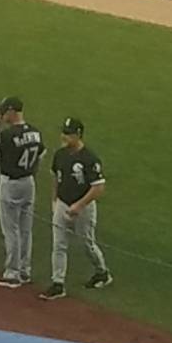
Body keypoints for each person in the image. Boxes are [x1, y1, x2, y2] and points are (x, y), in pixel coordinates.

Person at [42, 118, 112, 299]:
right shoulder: (60, 155)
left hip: (84, 207)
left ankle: (102, 272)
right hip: (63, 204)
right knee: (58, 244)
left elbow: (98, 187)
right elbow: (56, 179)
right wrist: (54, 201)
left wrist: (79, 205)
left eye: (68, 133)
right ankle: (58, 283)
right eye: (63, 132)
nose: (64, 137)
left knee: (86, 244)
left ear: (79, 134)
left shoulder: (89, 159)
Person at [0, 97, 45, 288]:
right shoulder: (36, 132)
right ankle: (24, 270)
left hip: (11, 183)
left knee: (11, 229)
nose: (3, 115)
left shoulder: (7, 135)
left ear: (12, 111)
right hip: (29, 182)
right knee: (25, 228)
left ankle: (12, 273)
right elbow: (41, 154)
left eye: (4, 112)